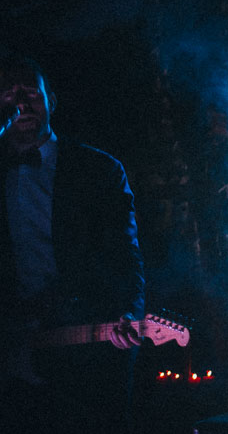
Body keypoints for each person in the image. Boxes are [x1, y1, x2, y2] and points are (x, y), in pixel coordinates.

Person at [0, 54, 145, 434]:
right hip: (15, 350)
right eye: (9, 94)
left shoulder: (98, 170)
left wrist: (128, 312)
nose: (20, 103)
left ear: (51, 101)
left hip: (83, 342)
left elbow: (123, 254)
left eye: (31, 92)